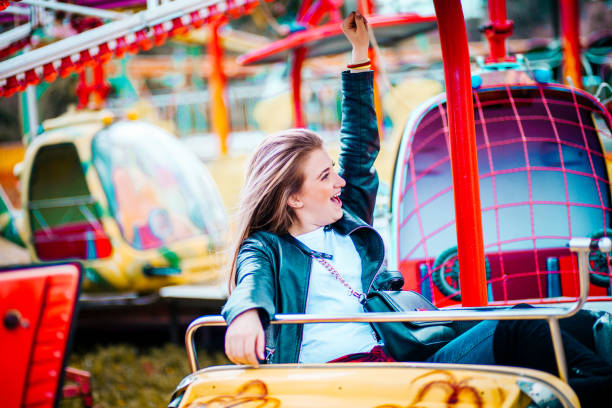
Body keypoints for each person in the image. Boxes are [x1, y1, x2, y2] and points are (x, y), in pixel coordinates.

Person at [221, 11, 612, 407]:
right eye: (325, 176)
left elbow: (359, 150)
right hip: (358, 379)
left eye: (334, 172)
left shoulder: (343, 225)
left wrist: (359, 56)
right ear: (293, 197)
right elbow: (251, 281)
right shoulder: (268, 248)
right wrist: (246, 314)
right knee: (520, 325)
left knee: (567, 319)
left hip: (399, 358)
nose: (339, 181)